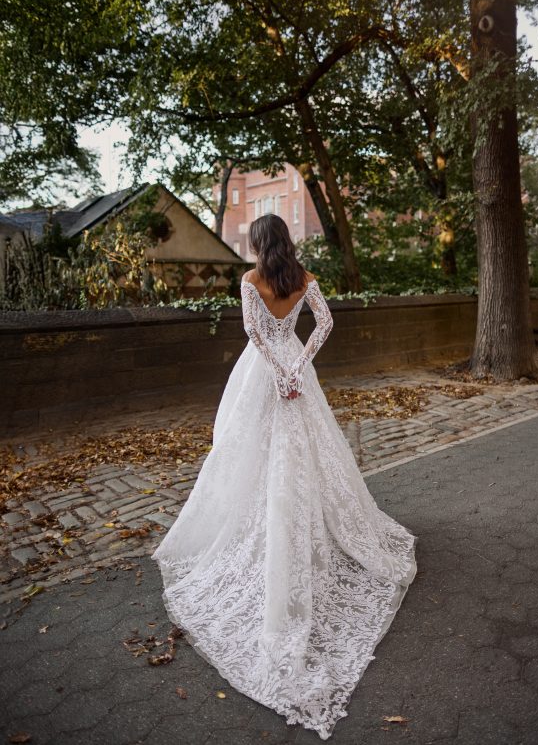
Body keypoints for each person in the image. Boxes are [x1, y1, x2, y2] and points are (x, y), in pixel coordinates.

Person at [151, 213, 417, 740]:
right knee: (300, 452)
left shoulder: (251, 281)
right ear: (287, 241)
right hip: (294, 361)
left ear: (257, 243)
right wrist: (297, 366)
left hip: (261, 370)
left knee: (249, 449)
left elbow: (253, 332)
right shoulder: (305, 279)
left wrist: (277, 370)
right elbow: (325, 324)